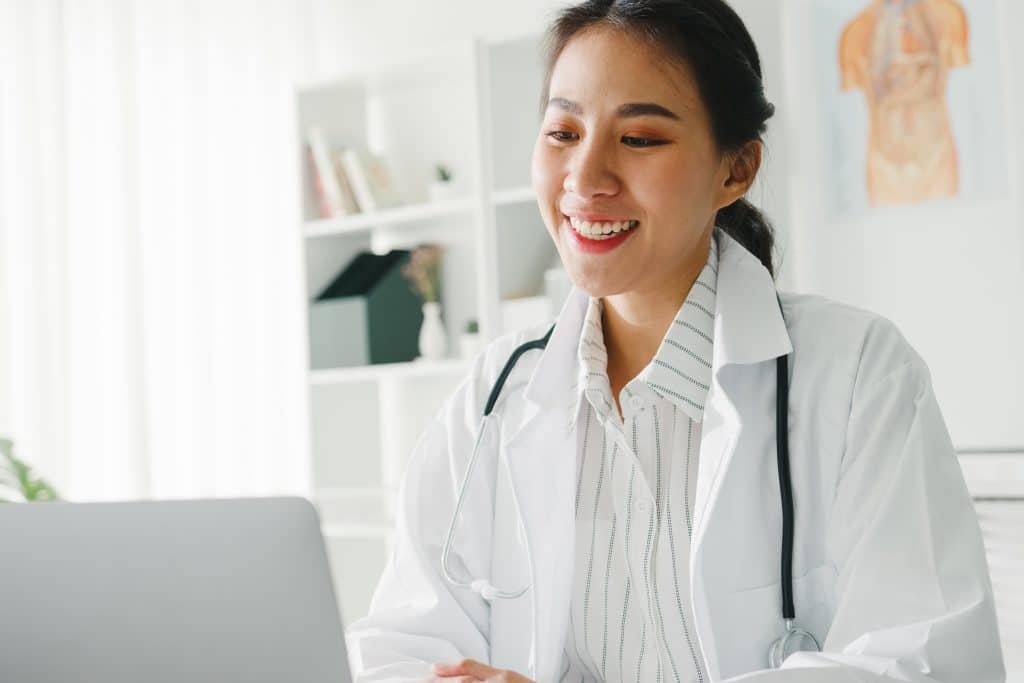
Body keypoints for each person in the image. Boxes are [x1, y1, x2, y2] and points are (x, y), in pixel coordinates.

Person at [345, 1, 1004, 681]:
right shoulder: (492, 398)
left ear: (736, 169)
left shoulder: (860, 375)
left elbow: (925, 659)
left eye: (640, 139)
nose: (586, 178)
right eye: (564, 131)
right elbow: (399, 644)